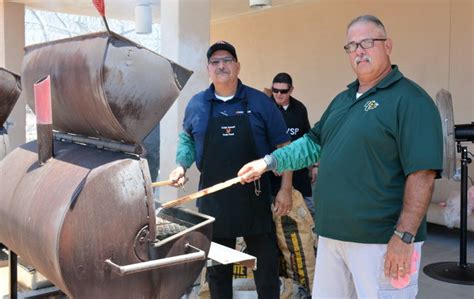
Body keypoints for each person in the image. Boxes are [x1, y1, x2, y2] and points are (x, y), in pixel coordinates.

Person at [238, 15, 443, 298]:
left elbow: (422, 174)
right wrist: (268, 162)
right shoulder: (342, 100)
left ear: (388, 46)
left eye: (368, 42)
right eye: (352, 46)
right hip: (332, 238)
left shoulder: (410, 100)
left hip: (381, 242)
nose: (359, 50)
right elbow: (310, 144)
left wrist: (404, 237)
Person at [168, 41, 292, 299]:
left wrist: (286, 189)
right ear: (208, 69)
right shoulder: (198, 104)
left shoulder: (260, 102)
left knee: (266, 266)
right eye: (215, 62)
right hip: (215, 200)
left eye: (226, 60)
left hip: (255, 198)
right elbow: (188, 139)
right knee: (218, 271)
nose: (221, 65)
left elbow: (284, 146)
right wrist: (181, 165)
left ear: (237, 66)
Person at [270, 72, 316, 216]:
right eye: (275, 90)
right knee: (276, 214)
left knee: (307, 212)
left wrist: (315, 165)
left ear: (291, 90)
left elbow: (309, 137)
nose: (278, 94)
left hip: (299, 171)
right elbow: (258, 140)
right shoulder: (266, 107)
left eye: (283, 91)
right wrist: (272, 162)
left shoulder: (299, 109)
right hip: (274, 173)